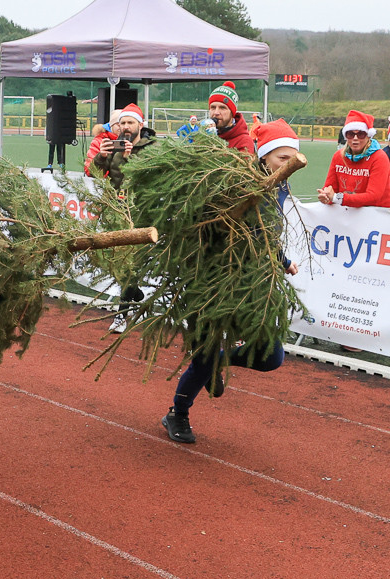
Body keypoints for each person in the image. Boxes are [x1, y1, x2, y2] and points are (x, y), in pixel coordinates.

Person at [161, 118, 301, 444]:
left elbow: (265, 233)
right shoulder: (240, 181)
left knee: (271, 357)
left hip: (255, 282)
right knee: (204, 356)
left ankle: (223, 359)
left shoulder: (282, 185)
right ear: (263, 156)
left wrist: (282, 261)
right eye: (283, 158)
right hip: (216, 279)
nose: (290, 164)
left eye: (293, 158)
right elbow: (217, 224)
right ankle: (177, 415)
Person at [91, 103, 156, 333]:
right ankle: (135, 294)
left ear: (141, 124)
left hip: (140, 212)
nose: (126, 127)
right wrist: (102, 156)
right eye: (123, 123)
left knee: (131, 266)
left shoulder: (152, 148)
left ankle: (121, 315)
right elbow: (95, 173)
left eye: (131, 122)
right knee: (118, 264)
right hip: (116, 210)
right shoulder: (116, 144)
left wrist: (129, 158)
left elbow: (144, 179)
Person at [317, 110, 390, 208]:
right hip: (348, 213)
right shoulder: (338, 156)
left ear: (368, 136)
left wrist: (337, 198)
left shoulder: (379, 158)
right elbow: (330, 188)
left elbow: (373, 196)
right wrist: (326, 197)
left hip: (376, 214)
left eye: (361, 134)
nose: (355, 138)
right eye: (350, 134)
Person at [207, 81, 252, 153]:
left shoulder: (243, 141)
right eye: (213, 108)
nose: (216, 113)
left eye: (222, 108)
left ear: (232, 113)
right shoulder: (204, 135)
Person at [84, 109, 121, 176]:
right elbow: (89, 171)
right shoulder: (99, 141)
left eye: (128, 123)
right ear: (111, 125)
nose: (122, 127)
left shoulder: (134, 141)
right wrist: (101, 156)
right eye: (118, 124)